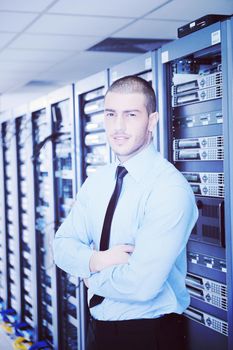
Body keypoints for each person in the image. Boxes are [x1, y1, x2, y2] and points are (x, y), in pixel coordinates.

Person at [53, 75, 198, 350]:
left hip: (149, 333)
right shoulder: (97, 181)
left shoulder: (169, 189)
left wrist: (88, 274)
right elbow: (61, 247)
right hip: (99, 327)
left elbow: (141, 286)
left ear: (152, 121)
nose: (118, 127)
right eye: (111, 114)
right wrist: (97, 260)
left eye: (131, 114)